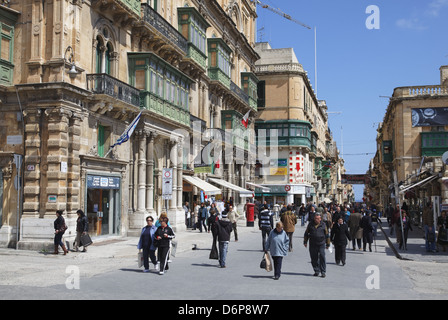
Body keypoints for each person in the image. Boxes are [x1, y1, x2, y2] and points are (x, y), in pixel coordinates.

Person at [303, 213, 330, 277]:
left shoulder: (323, 225)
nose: (316, 220)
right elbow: (306, 233)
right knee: (313, 258)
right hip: (312, 243)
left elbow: (327, 234)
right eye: (315, 218)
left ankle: (323, 271)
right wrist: (305, 242)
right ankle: (316, 270)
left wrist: (328, 243)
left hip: (321, 243)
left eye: (318, 218)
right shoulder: (310, 224)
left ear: (320, 219)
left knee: (322, 256)